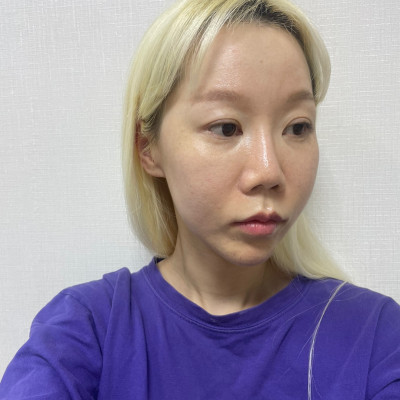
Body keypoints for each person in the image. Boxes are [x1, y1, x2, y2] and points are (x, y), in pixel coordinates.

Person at [1, 0, 399, 398]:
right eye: (226, 127)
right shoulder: (86, 330)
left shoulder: (375, 337)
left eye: (297, 127)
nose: (268, 171)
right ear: (149, 148)